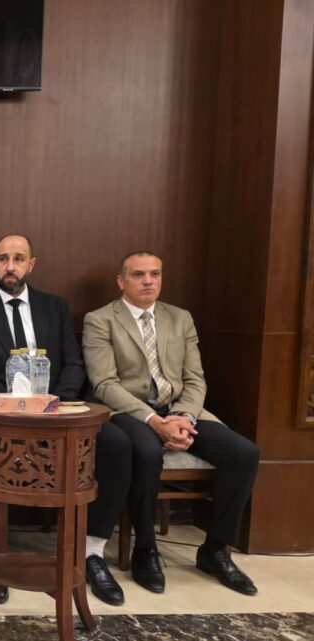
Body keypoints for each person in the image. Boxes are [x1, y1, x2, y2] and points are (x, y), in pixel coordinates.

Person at [0, 234, 132, 606]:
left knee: (118, 445)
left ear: (31, 264)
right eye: (3, 259)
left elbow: (74, 364)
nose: (10, 266)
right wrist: (21, 405)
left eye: (19, 258)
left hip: (58, 413)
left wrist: (52, 403)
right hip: (3, 415)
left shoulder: (54, 307)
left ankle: (92, 552)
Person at [83, 251, 260, 595]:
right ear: (121, 281)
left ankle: (215, 550)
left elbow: (195, 378)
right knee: (147, 452)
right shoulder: (101, 319)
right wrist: (153, 420)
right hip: (130, 412)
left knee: (244, 453)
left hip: (181, 410)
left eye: (155, 274)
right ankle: (145, 550)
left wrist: (184, 417)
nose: (148, 281)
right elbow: (104, 384)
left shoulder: (180, 318)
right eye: (138, 275)